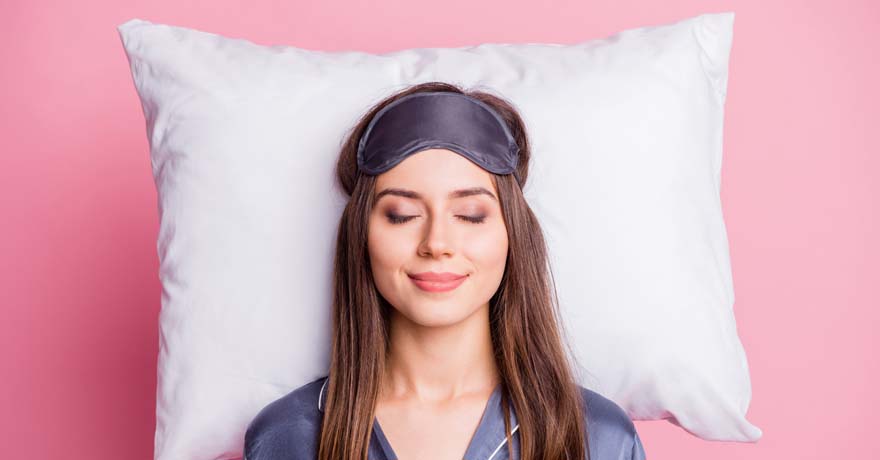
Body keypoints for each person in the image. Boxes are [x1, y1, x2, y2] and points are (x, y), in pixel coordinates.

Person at [243, 81, 647, 459]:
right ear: (361, 236)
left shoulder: (599, 437)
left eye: (470, 215)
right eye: (402, 215)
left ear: (512, 235)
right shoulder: (288, 435)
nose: (436, 243)